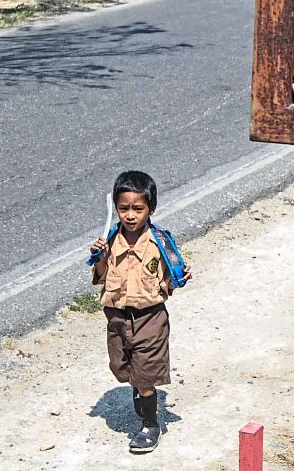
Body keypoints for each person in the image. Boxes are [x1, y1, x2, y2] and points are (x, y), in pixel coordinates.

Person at [88, 171, 193, 453]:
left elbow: (174, 273)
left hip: (151, 318)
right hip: (117, 318)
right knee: (122, 368)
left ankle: (150, 425)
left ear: (151, 209)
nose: (130, 215)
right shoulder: (109, 242)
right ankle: (138, 385)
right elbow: (100, 276)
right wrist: (98, 257)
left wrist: (182, 274)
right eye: (124, 208)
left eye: (138, 208)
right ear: (116, 208)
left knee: (145, 377)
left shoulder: (160, 242)